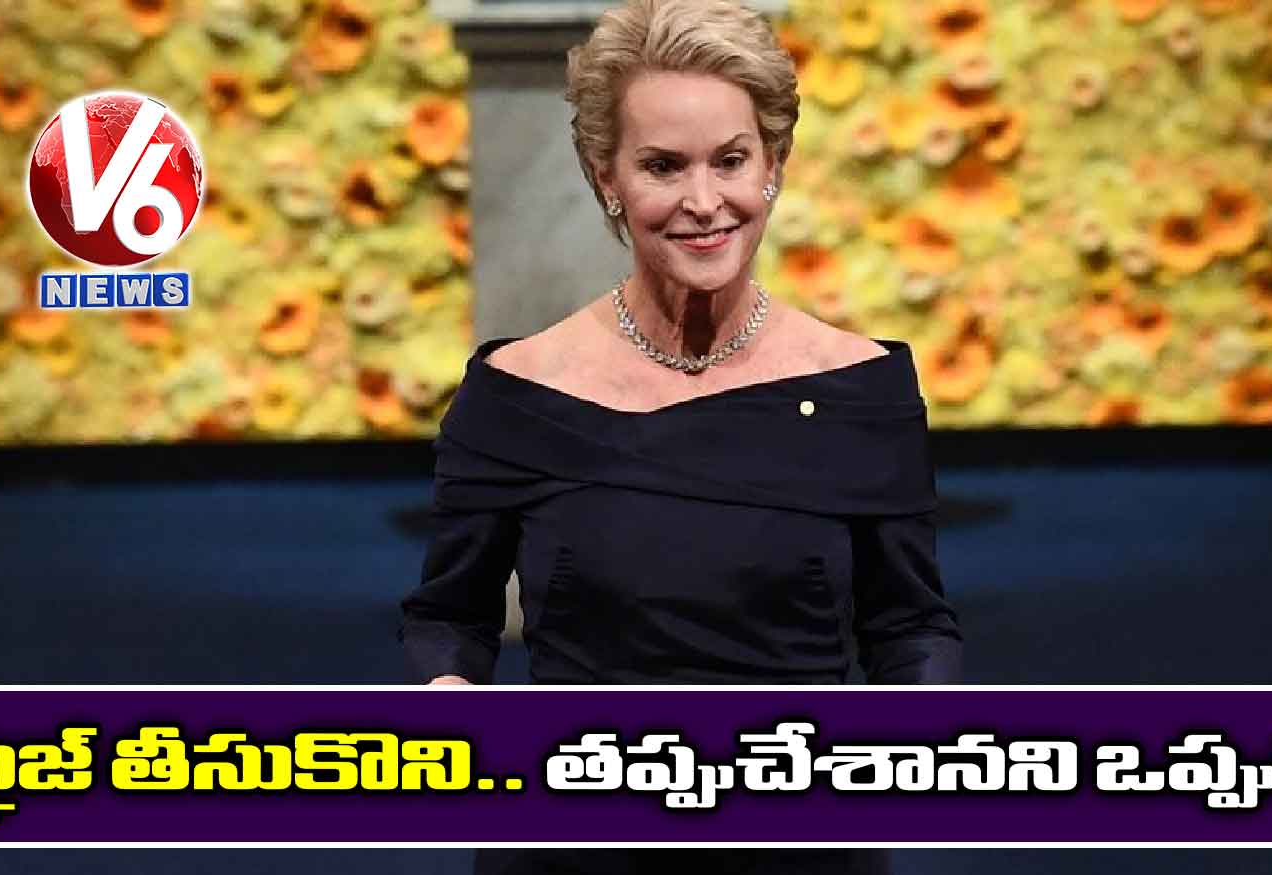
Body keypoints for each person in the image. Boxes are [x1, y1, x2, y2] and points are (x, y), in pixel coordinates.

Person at [399, 0, 962, 870]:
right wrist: (450, 699)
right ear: (606, 178)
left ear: (773, 164)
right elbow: (450, 615)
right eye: (663, 166)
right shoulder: (517, 391)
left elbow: (911, 625)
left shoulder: (861, 387)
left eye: (730, 160)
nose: (704, 203)